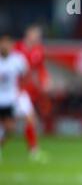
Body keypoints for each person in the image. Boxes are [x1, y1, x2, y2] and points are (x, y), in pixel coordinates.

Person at [14, 24, 49, 162]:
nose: (38, 38)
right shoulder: (16, 49)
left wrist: (44, 80)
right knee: (8, 124)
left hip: (22, 91)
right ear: (28, 34)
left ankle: (33, 150)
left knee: (30, 119)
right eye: (36, 35)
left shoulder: (39, 50)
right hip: (10, 91)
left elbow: (40, 68)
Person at [0, 33, 28, 161]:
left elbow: (25, 76)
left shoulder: (18, 60)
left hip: (10, 99)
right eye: (2, 43)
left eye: (7, 43)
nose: (4, 46)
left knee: (10, 128)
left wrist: (20, 92)